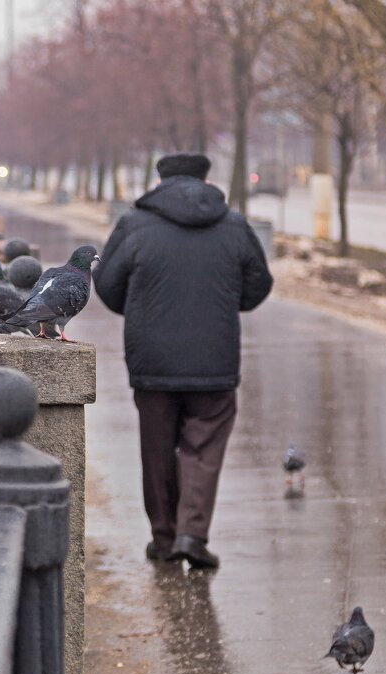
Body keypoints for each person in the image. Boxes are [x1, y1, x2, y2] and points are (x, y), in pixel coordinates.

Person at [93, 153, 273, 569]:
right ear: (206, 179)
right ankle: (191, 534)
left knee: (156, 449)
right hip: (215, 360)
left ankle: (164, 538)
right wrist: (228, 303)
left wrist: (139, 309)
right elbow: (258, 284)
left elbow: (106, 284)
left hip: (151, 359)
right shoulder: (234, 225)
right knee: (203, 449)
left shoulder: (134, 225)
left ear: (161, 179)